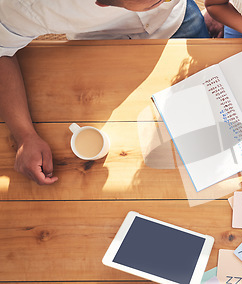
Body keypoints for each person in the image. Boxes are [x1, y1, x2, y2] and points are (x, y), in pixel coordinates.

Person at [0, 0, 210, 185]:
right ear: (101, 3)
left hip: (179, 22)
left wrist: (217, 10)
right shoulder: (24, 7)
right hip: (100, 50)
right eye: (157, 1)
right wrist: (24, 136)